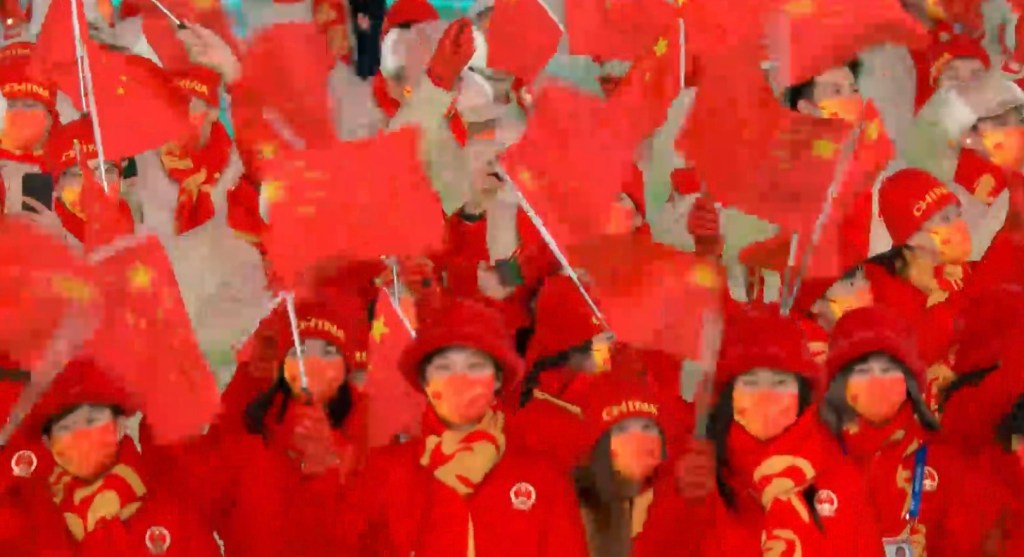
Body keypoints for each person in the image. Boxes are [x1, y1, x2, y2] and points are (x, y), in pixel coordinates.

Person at [347, 297, 589, 555]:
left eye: (475, 366)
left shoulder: (543, 476)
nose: (459, 380)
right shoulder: (387, 472)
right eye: (444, 368)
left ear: (498, 379)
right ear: (424, 380)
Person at [697, 303, 883, 555]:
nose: (766, 396)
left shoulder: (841, 478)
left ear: (801, 392)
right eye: (750, 382)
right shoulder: (702, 484)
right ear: (728, 394)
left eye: (780, 382)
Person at [200, 295, 370, 556]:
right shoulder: (254, 431)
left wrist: (326, 471)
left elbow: (370, 537)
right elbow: (205, 494)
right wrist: (248, 375)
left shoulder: (367, 436)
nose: (312, 364)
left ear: (346, 368)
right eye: (300, 351)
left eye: (328, 352)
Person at [0, 359, 222, 555]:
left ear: (119, 426)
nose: (82, 435)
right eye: (67, 427)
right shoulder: (38, 518)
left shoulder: (164, 496)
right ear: (49, 445)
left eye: (92, 421)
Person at [822, 306, 944, 556]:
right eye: (863, 371)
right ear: (840, 383)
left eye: (888, 370)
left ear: (908, 380)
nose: (876, 381)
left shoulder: (939, 455)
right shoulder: (814, 460)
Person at [573, 372, 698, 557]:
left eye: (647, 427)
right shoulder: (575, 508)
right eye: (622, 429)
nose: (637, 439)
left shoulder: (684, 499)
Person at [45, 117, 135, 246]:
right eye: (79, 173)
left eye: (107, 169)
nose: (97, 181)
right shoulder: (43, 239)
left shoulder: (144, 228)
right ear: (56, 186)